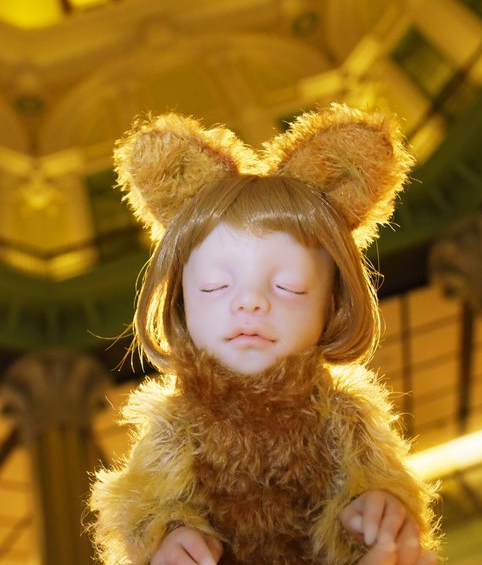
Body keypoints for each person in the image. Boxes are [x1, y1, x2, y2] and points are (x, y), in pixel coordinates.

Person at [89, 105, 441, 565]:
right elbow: (143, 503)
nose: (250, 302)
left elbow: (377, 478)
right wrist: (167, 535)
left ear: (333, 303)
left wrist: (378, 506)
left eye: (290, 286)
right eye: (214, 286)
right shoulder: (175, 425)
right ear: (180, 301)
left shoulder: (344, 417)